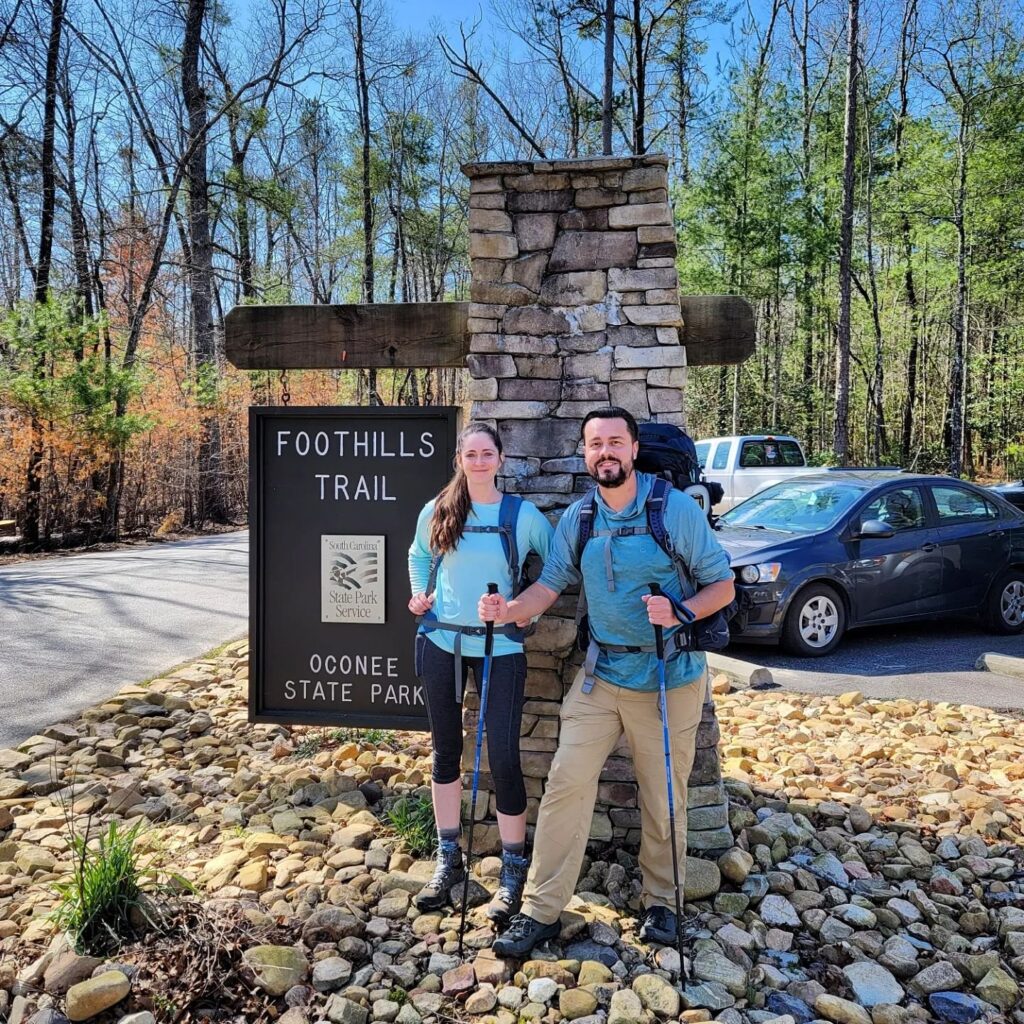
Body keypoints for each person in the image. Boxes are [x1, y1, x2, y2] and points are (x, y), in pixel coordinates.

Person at [478, 407, 735, 957]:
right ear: (585, 454)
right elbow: (549, 586)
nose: (605, 453)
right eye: (595, 445)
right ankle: (541, 910)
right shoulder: (581, 518)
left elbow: (723, 585)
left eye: (615, 442)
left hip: (670, 675)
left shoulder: (675, 512)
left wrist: (681, 612)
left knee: (665, 795)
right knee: (566, 786)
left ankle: (663, 901)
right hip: (601, 676)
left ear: (634, 449)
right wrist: (509, 611)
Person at [408, 421, 553, 924]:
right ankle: (448, 859)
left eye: (487, 453)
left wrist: (519, 609)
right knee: (445, 748)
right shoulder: (438, 509)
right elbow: (418, 554)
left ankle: (513, 869)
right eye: (470, 453)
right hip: (440, 641)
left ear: (501, 459)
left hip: (501, 648)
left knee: (504, 756)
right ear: (459, 459)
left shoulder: (521, 515)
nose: (479, 461)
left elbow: (556, 568)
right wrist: (418, 595)